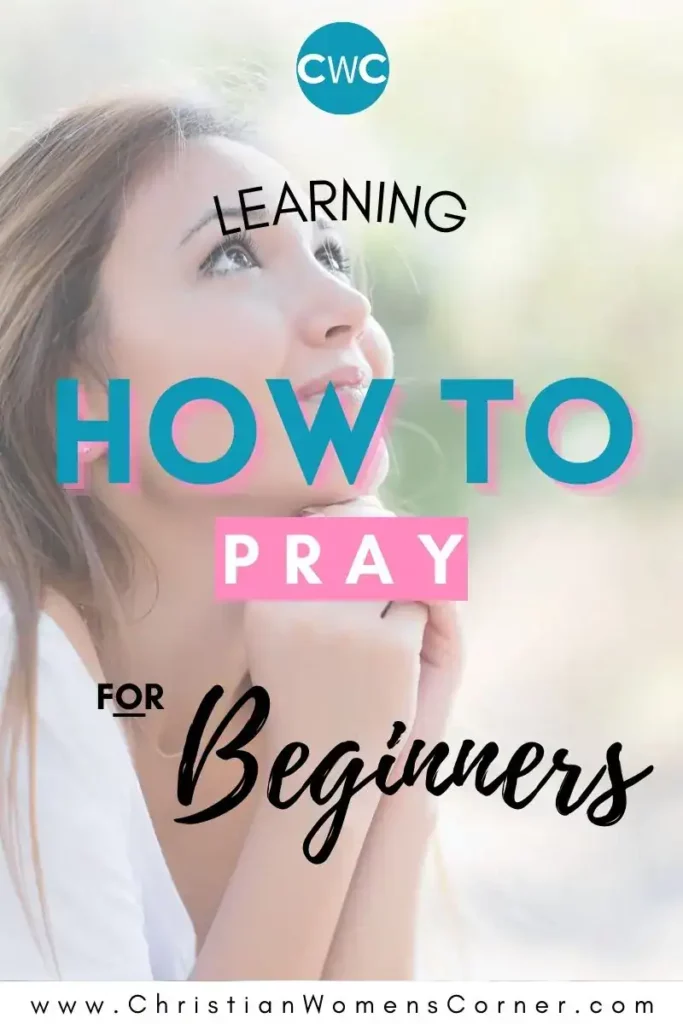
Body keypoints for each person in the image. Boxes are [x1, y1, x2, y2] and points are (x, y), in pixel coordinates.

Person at [0, 93, 459, 981]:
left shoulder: (308, 685)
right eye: (232, 254)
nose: (348, 303)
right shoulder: (20, 674)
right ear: (75, 400)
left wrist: (392, 778)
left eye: (330, 252)